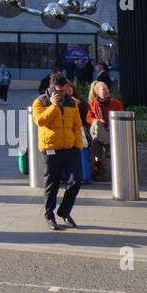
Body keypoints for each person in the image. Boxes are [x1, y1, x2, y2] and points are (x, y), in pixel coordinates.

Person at [33, 77, 84, 229]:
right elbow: (40, 121)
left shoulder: (71, 102)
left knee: (76, 180)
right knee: (52, 183)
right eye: (59, 90)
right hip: (51, 149)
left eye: (64, 90)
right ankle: (49, 216)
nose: (62, 93)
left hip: (70, 148)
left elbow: (77, 124)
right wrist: (53, 106)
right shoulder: (40, 101)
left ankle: (64, 211)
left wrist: (78, 144)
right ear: (52, 87)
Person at [84, 80, 123, 182]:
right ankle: (109, 146)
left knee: (96, 141)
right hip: (96, 128)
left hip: (110, 130)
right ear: (97, 92)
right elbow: (88, 118)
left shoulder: (116, 103)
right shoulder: (93, 104)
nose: (106, 91)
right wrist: (96, 120)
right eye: (103, 89)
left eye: (107, 88)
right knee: (98, 124)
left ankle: (97, 164)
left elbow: (121, 117)